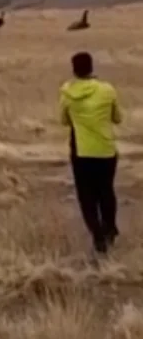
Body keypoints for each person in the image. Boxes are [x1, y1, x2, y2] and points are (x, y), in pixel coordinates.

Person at [59, 51, 122, 254]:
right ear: (92, 67)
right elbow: (117, 118)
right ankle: (110, 227)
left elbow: (64, 121)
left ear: (74, 69)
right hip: (106, 149)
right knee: (106, 191)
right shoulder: (107, 90)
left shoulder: (67, 92)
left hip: (81, 151)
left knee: (86, 196)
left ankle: (97, 234)